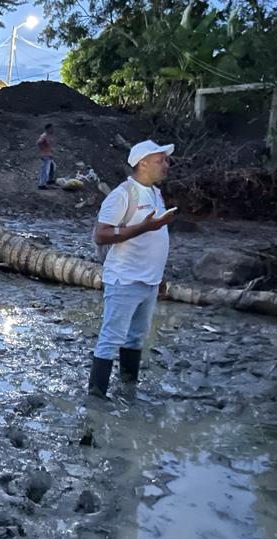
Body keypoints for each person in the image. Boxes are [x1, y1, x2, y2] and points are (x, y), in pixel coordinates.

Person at [88, 140, 178, 399]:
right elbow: (101, 235)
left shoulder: (156, 194)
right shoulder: (123, 194)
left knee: (136, 338)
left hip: (148, 282)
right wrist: (143, 228)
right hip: (124, 279)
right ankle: (96, 400)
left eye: (166, 160)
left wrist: (159, 278)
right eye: (161, 160)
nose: (166, 165)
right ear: (143, 163)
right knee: (110, 338)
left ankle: (128, 390)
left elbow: (156, 240)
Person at [37, 123, 56, 189]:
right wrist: (42, 152)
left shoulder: (48, 136)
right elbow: (39, 142)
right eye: (51, 128)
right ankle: (41, 184)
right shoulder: (44, 136)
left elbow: (48, 145)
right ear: (48, 129)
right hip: (45, 155)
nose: (52, 129)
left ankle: (49, 180)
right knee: (45, 169)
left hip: (48, 154)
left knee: (52, 166)